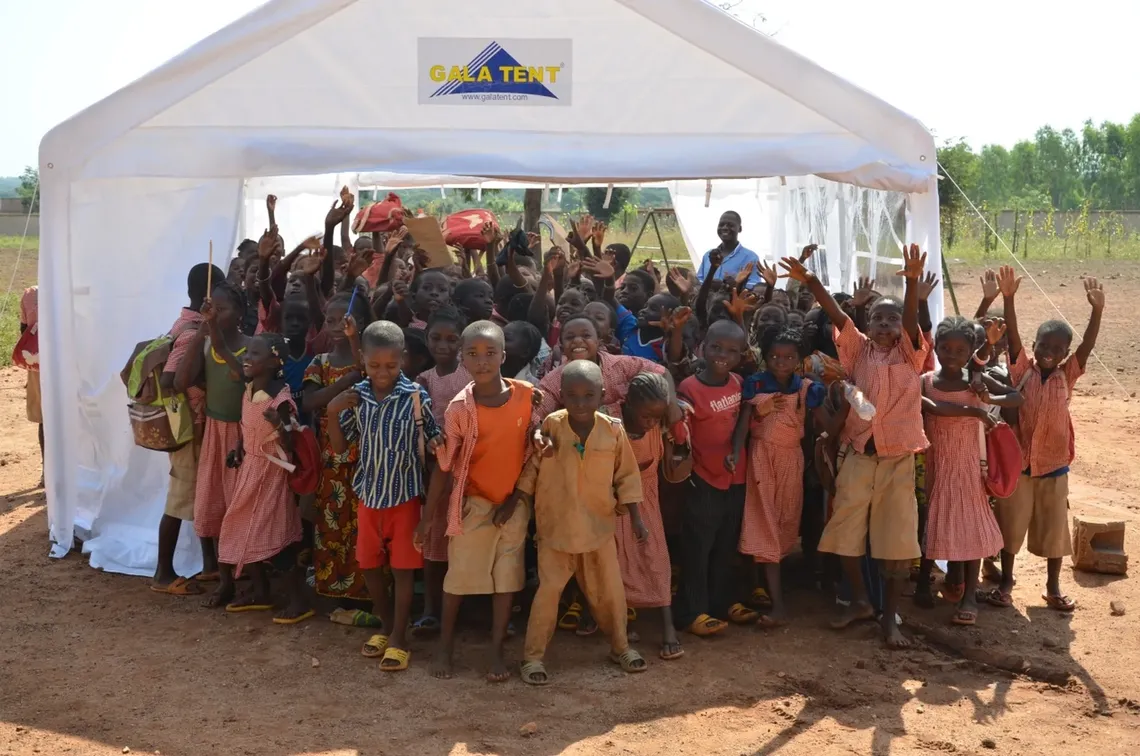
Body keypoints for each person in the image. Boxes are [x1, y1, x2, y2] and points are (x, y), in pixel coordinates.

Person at [780, 245, 929, 649]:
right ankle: (862, 601)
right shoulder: (857, 350)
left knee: (897, 541)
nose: (885, 324)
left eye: (892, 318)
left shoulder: (912, 354)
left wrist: (912, 282)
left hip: (897, 457)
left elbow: (913, 322)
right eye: (878, 317)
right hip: (859, 454)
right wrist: (810, 281)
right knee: (845, 531)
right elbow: (838, 316)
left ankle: (889, 619)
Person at [517, 360, 648, 685]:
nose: (579, 403)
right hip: (555, 530)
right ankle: (533, 657)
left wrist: (635, 518)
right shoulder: (550, 426)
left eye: (588, 395)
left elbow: (627, 477)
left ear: (602, 395)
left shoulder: (613, 430)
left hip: (598, 529)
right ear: (561, 396)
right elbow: (532, 469)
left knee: (610, 592)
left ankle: (621, 647)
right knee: (548, 595)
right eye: (572, 396)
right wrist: (516, 502)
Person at [420, 321, 537, 682]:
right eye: (473, 354)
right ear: (462, 359)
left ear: (504, 355)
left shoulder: (526, 395)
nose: (482, 361)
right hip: (473, 505)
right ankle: (445, 647)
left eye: (490, 353)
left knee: (507, 581)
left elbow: (531, 442)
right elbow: (446, 466)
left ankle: (497, 650)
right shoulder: (459, 409)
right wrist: (427, 519)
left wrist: (518, 496)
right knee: (458, 580)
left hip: (514, 505)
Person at [985, 267, 1104, 612]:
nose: (1048, 351)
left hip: (1053, 465)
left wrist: (1096, 312)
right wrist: (1008, 298)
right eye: (1043, 345)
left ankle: (1053, 586)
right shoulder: (1022, 369)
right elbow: (1016, 335)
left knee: (1055, 531)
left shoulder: (1068, 375)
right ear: (1033, 347)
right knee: (1011, 525)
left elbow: (1088, 345)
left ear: (1066, 352)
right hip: (1019, 465)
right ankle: (1006, 582)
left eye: (1056, 347)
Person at [327, 321, 441, 672]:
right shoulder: (356, 395)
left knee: (403, 570)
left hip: (405, 498)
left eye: (391, 366)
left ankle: (399, 639)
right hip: (368, 496)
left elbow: (434, 440)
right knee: (371, 566)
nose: (382, 372)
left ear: (403, 359)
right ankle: (387, 624)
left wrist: (438, 444)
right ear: (362, 359)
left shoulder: (415, 397)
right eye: (375, 365)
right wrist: (332, 411)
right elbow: (340, 447)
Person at [918, 316, 1022, 624]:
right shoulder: (925, 381)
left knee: (970, 527)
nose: (951, 355)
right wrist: (975, 409)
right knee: (931, 522)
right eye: (945, 348)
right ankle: (925, 583)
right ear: (934, 347)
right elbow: (932, 408)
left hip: (968, 468)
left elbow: (1017, 397)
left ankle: (968, 598)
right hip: (936, 466)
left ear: (969, 352)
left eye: (959, 350)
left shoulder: (974, 381)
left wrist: (991, 397)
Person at [731, 326, 827, 627]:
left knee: (784, 522)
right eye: (774, 356)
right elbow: (744, 423)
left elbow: (820, 423)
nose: (780, 362)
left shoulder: (807, 389)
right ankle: (778, 605)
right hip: (761, 458)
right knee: (764, 523)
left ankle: (768, 592)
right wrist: (736, 451)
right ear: (765, 358)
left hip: (791, 460)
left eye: (788, 357)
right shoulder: (756, 384)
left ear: (799, 360)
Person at [213, 333, 311, 624]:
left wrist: (280, 425)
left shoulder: (280, 399)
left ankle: (297, 600)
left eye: (255, 354)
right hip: (249, 471)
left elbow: (292, 444)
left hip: (270, 477)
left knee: (273, 535)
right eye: (247, 353)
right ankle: (261, 590)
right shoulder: (249, 387)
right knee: (242, 528)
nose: (247, 357)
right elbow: (247, 428)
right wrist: (238, 448)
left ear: (274, 362)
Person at [673, 319, 759, 637]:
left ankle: (722, 603)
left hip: (735, 479)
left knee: (726, 546)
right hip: (704, 479)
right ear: (703, 348)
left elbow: (743, 425)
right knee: (698, 548)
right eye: (716, 347)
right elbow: (683, 436)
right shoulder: (689, 388)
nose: (723, 355)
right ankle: (691, 612)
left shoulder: (739, 382)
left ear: (741, 355)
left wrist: (735, 451)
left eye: (732, 351)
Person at [150, 262, 225, 596]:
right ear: (208, 295)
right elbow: (170, 380)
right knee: (180, 500)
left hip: (194, 425)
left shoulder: (188, 322)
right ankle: (163, 573)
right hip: (188, 429)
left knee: (201, 492)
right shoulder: (193, 331)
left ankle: (210, 564)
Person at [172, 283, 249, 601]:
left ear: (241, 313)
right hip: (214, 433)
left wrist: (211, 333)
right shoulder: (206, 344)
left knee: (238, 506)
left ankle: (244, 577)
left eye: (224, 310)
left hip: (242, 434)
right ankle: (223, 578)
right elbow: (180, 380)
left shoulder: (249, 348)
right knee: (209, 502)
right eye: (212, 310)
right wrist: (203, 333)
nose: (216, 315)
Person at [301, 293, 373, 610]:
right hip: (330, 457)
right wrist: (347, 381)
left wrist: (356, 344)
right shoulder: (320, 363)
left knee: (361, 524)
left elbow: (371, 378)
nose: (334, 326)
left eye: (342, 321)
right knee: (331, 523)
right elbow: (310, 402)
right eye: (329, 320)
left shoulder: (369, 359)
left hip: (365, 457)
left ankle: (365, 592)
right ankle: (332, 588)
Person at [618, 372, 692, 660]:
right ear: (630, 405)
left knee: (657, 561)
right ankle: (624, 622)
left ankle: (667, 627)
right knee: (620, 563)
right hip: (619, 504)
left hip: (649, 504)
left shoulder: (661, 425)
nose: (650, 422)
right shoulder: (615, 427)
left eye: (656, 416)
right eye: (645, 415)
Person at [414, 306, 472, 638]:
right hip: (436, 471)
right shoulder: (424, 381)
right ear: (426, 339)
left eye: (452, 340)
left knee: (464, 543)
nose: (444, 346)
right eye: (436, 338)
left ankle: (464, 607)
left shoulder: (471, 378)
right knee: (434, 543)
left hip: (467, 471)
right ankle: (430, 610)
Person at [694, 211, 761, 288]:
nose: (725, 228)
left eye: (730, 225)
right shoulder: (708, 255)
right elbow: (698, 283)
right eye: (721, 225)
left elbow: (754, 288)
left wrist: (732, 286)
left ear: (739, 229)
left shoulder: (751, 258)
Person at [18, 285, 42, 484]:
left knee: (44, 418)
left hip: (38, 362)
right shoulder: (72, 290)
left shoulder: (30, 294)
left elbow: (24, 331)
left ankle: (48, 470)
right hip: (73, 364)